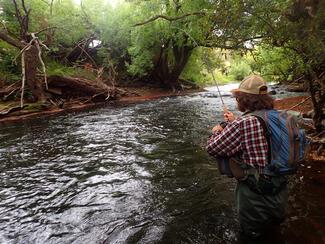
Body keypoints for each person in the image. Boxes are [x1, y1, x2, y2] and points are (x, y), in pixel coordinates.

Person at [206, 75, 288, 241]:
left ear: (244, 99)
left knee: (252, 236)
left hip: (255, 193)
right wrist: (234, 122)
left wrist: (217, 131)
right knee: (274, 231)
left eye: (238, 97)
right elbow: (265, 137)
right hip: (280, 189)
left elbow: (213, 148)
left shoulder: (243, 123)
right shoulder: (281, 116)